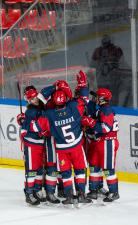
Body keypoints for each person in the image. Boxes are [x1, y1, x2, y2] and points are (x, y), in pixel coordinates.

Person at [30, 72, 92, 205]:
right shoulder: (74, 107)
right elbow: (85, 99)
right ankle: (81, 194)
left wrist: (54, 87)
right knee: (80, 170)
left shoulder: (49, 114)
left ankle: (69, 196)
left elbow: (35, 127)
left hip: (61, 149)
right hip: (76, 146)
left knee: (66, 173)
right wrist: (82, 85)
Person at [17, 85, 60, 205]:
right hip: (31, 145)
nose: (34, 100)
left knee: (39, 170)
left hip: (40, 145)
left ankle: (36, 191)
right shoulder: (30, 111)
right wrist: (35, 126)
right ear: (28, 100)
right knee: (31, 170)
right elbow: (24, 131)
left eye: (35, 97)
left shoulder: (41, 108)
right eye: (31, 99)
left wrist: (56, 87)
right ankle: (29, 193)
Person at [81, 88, 120, 202]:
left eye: (97, 97)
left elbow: (105, 128)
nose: (95, 98)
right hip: (99, 142)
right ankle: (94, 190)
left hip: (108, 142)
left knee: (108, 169)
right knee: (94, 166)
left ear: (102, 99)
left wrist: (91, 122)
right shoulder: (101, 109)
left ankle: (114, 192)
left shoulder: (106, 110)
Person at [91, 34, 123, 105]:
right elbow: (92, 65)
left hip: (112, 79)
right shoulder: (97, 51)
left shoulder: (116, 49)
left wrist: (110, 63)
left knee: (113, 97)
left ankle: (113, 107)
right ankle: (104, 106)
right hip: (101, 79)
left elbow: (120, 63)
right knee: (102, 96)